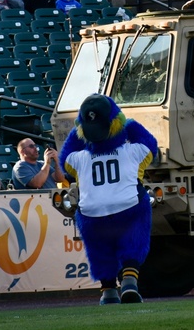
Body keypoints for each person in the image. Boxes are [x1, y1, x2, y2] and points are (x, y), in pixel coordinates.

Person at [59, 94, 158, 305]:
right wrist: (129, 124)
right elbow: (151, 144)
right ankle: (130, 281)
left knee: (99, 250)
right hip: (128, 209)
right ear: (115, 122)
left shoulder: (78, 159)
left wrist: (81, 128)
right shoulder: (133, 152)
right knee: (134, 238)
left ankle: (108, 292)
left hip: (92, 215)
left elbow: (64, 157)